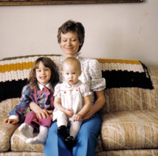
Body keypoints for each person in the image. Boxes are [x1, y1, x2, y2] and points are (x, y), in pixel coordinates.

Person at [29, 20, 106, 156]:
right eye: (64, 40)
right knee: (53, 136)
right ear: (59, 42)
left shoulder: (91, 64)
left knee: (85, 136)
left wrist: (89, 112)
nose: (68, 44)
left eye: (73, 40)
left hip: (87, 114)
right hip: (62, 115)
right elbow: (33, 93)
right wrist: (36, 108)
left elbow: (101, 98)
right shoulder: (53, 66)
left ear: (80, 41)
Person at [3, 57, 59, 145]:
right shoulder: (30, 88)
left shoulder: (57, 87)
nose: (43, 73)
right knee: (30, 114)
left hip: (50, 114)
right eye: (39, 70)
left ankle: (42, 135)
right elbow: (22, 103)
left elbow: (63, 102)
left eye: (46, 70)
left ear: (52, 72)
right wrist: (14, 117)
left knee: (46, 117)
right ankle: (28, 128)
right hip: (36, 115)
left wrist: (56, 114)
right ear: (34, 74)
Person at [53, 57, 91, 149]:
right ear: (62, 74)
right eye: (67, 73)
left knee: (76, 122)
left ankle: (71, 137)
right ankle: (62, 128)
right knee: (60, 115)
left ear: (80, 73)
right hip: (64, 112)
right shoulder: (60, 87)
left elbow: (88, 103)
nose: (70, 76)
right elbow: (56, 103)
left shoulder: (82, 87)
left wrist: (80, 114)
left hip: (76, 113)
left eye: (73, 73)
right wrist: (65, 110)